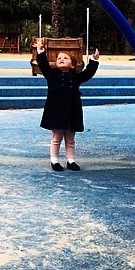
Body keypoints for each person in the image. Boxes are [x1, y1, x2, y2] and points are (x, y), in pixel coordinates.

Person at [34, 38, 100, 172]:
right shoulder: (51, 75)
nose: (61, 59)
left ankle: (71, 160)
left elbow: (88, 73)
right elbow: (43, 65)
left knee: (70, 139)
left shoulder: (76, 77)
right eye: (59, 58)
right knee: (56, 137)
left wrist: (94, 60)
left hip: (72, 111)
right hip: (56, 111)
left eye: (65, 58)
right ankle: (54, 160)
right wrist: (40, 51)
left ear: (72, 65)